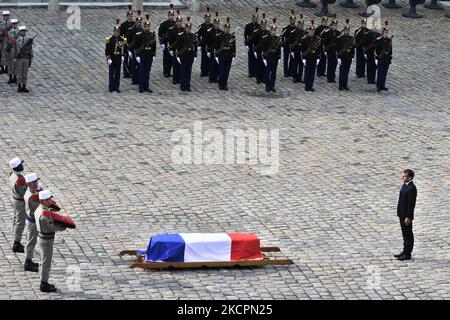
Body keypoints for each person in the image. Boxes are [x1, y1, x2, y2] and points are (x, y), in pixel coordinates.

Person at [35, 190, 67, 293]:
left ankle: (42, 279)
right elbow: (51, 227)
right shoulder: (44, 215)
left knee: (42, 260)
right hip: (46, 240)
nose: (50, 201)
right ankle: (44, 283)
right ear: (43, 201)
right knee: (46, 262)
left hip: (42, 238)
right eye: (48, 199)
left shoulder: (39, 209)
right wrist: (63, 226)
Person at [395, 169, 417, 261]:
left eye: (405, 176)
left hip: (406, 215)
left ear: (410, 177)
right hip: (401, 213)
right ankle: (404, 251)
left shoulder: (412, 188)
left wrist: (409, 217)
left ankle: (408, 254)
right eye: (403, 176)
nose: (403, 178)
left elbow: (411, 205)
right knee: (404, 234)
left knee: (408, 234)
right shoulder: (405, 185)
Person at [23, 172, 42, 272]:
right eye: (34, 182)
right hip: (32, 221)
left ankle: (29, 261)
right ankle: (27, 263)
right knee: (30, 242)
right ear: (29, 183)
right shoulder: (31, 196)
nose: (36, 183)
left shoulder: (30, 191)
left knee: (32, 242)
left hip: (31, 220)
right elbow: (37, 208)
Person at [8, 157, 27, 253]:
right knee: (20, 223)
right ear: (18, 167)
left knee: (16, 221)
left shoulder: (13, 175)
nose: (23, 166)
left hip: (14, 199)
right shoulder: (19, 180)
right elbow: (23, 193)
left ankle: (16, 239)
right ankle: (17, 243)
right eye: (21, 165)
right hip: (20, 202)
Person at [175, 17, 198, 92]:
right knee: (183, 71)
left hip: (190, 56)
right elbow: (178, 46)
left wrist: (195, 55)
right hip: (183, 56)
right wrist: (178, 56)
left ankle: (187, 85)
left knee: (188, 71)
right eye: (187, 28)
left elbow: (195, 46)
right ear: (185, 28)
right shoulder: (181, 36)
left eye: (189, 28)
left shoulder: (193, 36)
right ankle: (182, 85)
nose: (188, 29)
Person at [135, 18, 156, 93]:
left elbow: (154, 46)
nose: (147, 28)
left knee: (147, 72)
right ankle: (141, 87)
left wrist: (154, 55)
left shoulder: (152, 35)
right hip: (142, 55)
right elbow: (137, 46)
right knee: (141, 72)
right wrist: (137, 55)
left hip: (149, 55)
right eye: (146, 26)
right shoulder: (140, 35)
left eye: (148, 26)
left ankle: (146, 87)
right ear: (144, 27)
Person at [214, 17, 236, 90]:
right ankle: (221, 84)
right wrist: (216, 55)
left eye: (228, 29)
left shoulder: (232, 37)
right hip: (221, 56)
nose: (227, 30)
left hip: (229, 56)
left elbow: (234, 47)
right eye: (226, 29)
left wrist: (233, 56)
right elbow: (216, 46)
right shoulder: (219, 36)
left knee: (227, 71)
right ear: (223, 28)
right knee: (221, 71)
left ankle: (225, 84)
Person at [105, 20, 126, 93]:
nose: (116, 32)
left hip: (118, 59)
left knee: (117, 74)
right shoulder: (110, 39)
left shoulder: (122, 39)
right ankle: (111, 87)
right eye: (115, 31)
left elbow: (124, 48)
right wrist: (108, 58)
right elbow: (107, 50)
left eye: (117, 31)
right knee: (111, 74)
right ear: (113, 31)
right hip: (112, 58)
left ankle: (117, 87)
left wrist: (123, 55)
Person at [261, 18, 281, 92]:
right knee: (267, 72)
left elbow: (279, 49)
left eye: (275, 31)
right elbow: (263, 49)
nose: (273, 32)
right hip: (268, 57)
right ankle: (267, 86)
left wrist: (279, 57)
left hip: (275, 57)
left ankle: (272, 86)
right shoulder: (266, 38)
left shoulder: (277, 38)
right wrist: (264, 58)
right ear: (270, 30)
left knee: (274, 73)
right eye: (272, 30)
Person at [300, 21, 321, 92]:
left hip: (314, 58)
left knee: (312, 73)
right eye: (310, 31)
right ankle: (306, 86)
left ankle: (311, 85)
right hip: (308, 58)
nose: (312, 33)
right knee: (307, 72)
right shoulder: (305, 39)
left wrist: (318, 58)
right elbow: (302, 50)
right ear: (309, 31)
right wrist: (303, 59)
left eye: (313, 31)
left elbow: (318, 50)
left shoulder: (316, 39)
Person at [336, 19, 355, 91]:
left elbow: (353, 48)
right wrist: (338, 58)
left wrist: (353, 56)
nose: (347, 31)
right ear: (344, 30)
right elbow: (338, 49)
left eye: (348, 30)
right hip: (342, 57)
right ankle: (340, 85)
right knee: (342, 72)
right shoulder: (340, 38)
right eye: (346, 30)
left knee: (347, 72)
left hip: (349, 57)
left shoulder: (351, 38)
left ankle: (345, 84)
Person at [374, 21, 393, 92]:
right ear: (382, 33)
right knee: (380, 73)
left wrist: (389, 54)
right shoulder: (379, 40)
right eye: (385, 33)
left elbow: (391, 50)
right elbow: (375, 50)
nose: (386, 34)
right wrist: (376, 58)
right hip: (380, 58)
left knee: (384, 73)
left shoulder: (389, 40)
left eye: (387, 33)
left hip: (386, 59)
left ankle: (382, 85)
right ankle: (378, 86)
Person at [321, 15, 340, 83]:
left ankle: (333, 77)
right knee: (330, 64)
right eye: (334, 25)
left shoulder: (338, 33)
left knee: (334, 64)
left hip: (335, 51)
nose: (335, 26)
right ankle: (329, 78)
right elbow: (325, 42)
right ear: (332, 25)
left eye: (336, 25)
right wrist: (325, 50)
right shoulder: (328, 32)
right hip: (330, 50)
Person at [158, 4, 175, 78]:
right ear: (168, 16)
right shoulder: (164, 24)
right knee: (166, 58)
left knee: (171, 58)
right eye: (170, 15)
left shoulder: (175, 24)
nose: (171, 16)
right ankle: (165, 71)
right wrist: (161, 43)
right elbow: (159, 34)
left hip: (172, 43)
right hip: (165, 43)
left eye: (172, 15)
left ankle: (169, 71)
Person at [252, 13, 269, 84]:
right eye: (262, 25)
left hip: (265, 51)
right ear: (260, 25)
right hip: (259, 51)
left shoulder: (268, 32)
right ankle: (258, 78)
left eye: (265, 25)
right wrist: (255, 51)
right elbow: (254, 42)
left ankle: (264, 77)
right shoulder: (257, 32)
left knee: (264, 65)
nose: (263, 26)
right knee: (259, 65)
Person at [15, 25, 33, 93]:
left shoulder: (28, 40)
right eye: (22, 31)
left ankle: (24, 86)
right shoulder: (17, 40)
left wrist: (31, 59)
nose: (23, 33)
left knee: (25, 73)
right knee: (20, 73)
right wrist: (15, 58)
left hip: (26, 58)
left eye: (24, 31)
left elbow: (31, 50)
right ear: (19, 32)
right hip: (20, 58)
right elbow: (15, 50)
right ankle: (19, 86)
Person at [205, 12, 223, 84]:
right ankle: (211, 78)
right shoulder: (210, 32)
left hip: (219, 51)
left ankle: (217, 77)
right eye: (215, 24)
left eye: (218, 24)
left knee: (218, 64)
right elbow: (207, 42)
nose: (216, 25)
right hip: (212, 50)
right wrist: (208, 51)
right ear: (213, 24)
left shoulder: (221, 32)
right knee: (212, 64)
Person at [167, 11, 184, 85]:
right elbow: (169, 41)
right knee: (175, 65)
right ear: (176, 22)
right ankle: (175, 79)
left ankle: (180, 78)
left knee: (181, 65)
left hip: (181, 50)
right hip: (174, 49)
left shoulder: (184, 30)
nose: (179, 23)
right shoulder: (172, 30)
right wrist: (170, 49)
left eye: (180, 21)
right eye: (177, 21)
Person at [127, 11, 143, 85]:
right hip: (133, 50)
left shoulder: (142, 30)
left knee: (140, 66)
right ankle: (134, 79)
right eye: (138, 22)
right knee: (133, 66)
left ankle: (139, 79)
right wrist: (129, 51)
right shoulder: (131, 30)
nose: (139, 23)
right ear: (136, 22)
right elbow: (128, 41)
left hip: (140, 50)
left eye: (140, 22)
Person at [289, 15, 306, 83]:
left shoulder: (304, 32)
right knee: (295, 65)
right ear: (298, 25)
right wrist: (292, 51)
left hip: (302, 51)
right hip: (296, 50)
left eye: (302, 25)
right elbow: (291, 43)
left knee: (301, 65)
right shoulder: (294, 32)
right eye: (300, 25)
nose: (301, 26)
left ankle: (300, 77)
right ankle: (295, 77)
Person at [196, 7, 212, 77]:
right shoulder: (201, 26)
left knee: (210, 58)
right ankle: (203, 71)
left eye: (209, 18)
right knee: (203, 58)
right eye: (206, 18)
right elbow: (197, 35)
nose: (208, 19)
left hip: (211, 45)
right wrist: (199, 43)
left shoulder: (212, 26)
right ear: (204, 18)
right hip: (203, 44)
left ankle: (209, 70)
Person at [244, 8, 260, 78]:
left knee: (256, 58)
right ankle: (250, 72)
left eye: (256, 19)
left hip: (256, 44)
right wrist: (246, 45)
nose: (255, 20)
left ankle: (256, 72)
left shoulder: (259, 26)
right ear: (252, 18)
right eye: (254, 19)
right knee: (250, 58)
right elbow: (245, 35)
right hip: (250, 44)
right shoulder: (248, 26)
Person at [363, 21, 380, 85]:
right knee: (369, 66)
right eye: (373, 26)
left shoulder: (378, 35)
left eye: (375, 26)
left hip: (375, 53)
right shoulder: (367, 34)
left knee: (374, 67)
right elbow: (365, 44)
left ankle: (373, 78)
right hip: (369, 52)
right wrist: (365, 53)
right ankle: (369, 79)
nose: (374, 28)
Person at [120, 5, 134, 79]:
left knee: (131, 59)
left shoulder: (134, 24)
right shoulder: (123, 25)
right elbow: (120, 35)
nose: (130, 17)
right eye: (129, 16)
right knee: (125, 58)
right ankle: (125, 72)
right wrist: (122, 41)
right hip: (125, 44)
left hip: (132, 44)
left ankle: (131, 72)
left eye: (131, 15)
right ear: (127, 16)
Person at [281, 10, 296, 78]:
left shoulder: (296, 29)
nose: (293, 21)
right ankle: (285, 72)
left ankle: (290, 71)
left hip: (293, 46)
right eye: (291, 20)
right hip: (286, 46)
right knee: (286, 59)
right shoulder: (285, 28)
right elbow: (282, 37)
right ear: (290, 20)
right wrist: (283, 44)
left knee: (292, 59)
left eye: (294, 20)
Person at [5, 18, 18, 84]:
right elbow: (10, 39)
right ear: (12, 25)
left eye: (16, 24)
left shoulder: (19, 32)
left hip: (17, 49)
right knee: (10, 63)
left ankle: (15, 77)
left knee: (16, 64)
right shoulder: (9, 32)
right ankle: (10, 78)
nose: (15, 25)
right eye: (13, 24)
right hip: (11, 49)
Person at [0, 10, 12, 74]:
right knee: (1, 54)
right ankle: (2, 68)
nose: (6, 17)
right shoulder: (1, 24)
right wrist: (2, 33)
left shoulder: (11, 24)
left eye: (7, 16)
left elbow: (15, 32)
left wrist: (8, 33)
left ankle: (7, 68)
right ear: (3, 16)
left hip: (8, 41)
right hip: (2, 41)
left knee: (8, 55)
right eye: (5, 16)